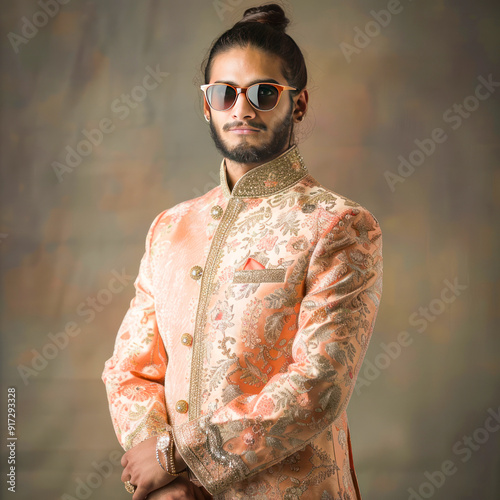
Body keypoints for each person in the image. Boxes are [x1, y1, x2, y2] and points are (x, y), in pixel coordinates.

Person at [102, 4, 383, 499]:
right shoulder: (171, 227)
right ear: (206, 104)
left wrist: (178, 456)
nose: (242, 109)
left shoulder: (337, 226)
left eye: (263, 92)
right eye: (224, 93)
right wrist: (164, 481)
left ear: (298, 104)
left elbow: (319, 386)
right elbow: (131, 368)